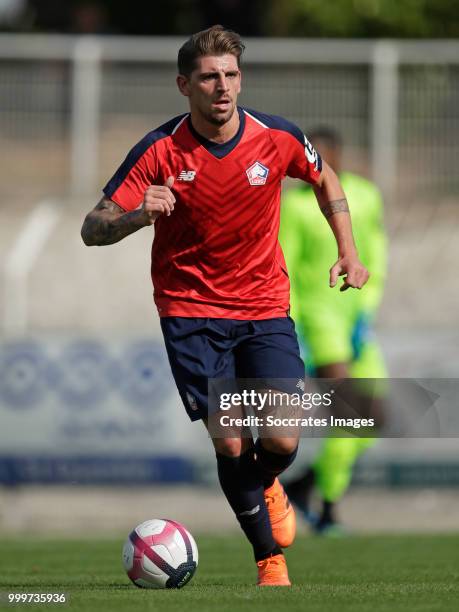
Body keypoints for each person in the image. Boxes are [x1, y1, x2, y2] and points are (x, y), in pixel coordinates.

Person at [80, 27, 369, 586]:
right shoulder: (158, 150)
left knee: (282, 439)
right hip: (190, 313)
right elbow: (92, 228)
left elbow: (322, 173)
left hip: (263, 306)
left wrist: (348, 251)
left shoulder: (275, 137)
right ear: (184, 84)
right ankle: (270, 561)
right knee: (232, 438)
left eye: (231, 75)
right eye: (210, 77)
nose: (223, 87)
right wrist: (138, 215)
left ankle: (267, 481)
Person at [280, 127, 387, 535]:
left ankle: (304, 485)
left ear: (337, 157)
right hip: (320, 321)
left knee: (374, 420)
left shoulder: (365, 196)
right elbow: (286, 265)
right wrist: (296, 324)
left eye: (320, 159)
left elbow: (377, 254)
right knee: (350, 415)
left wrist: (367, 309)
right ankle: (327, 508)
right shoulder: (295, 208)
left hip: (358, 319)